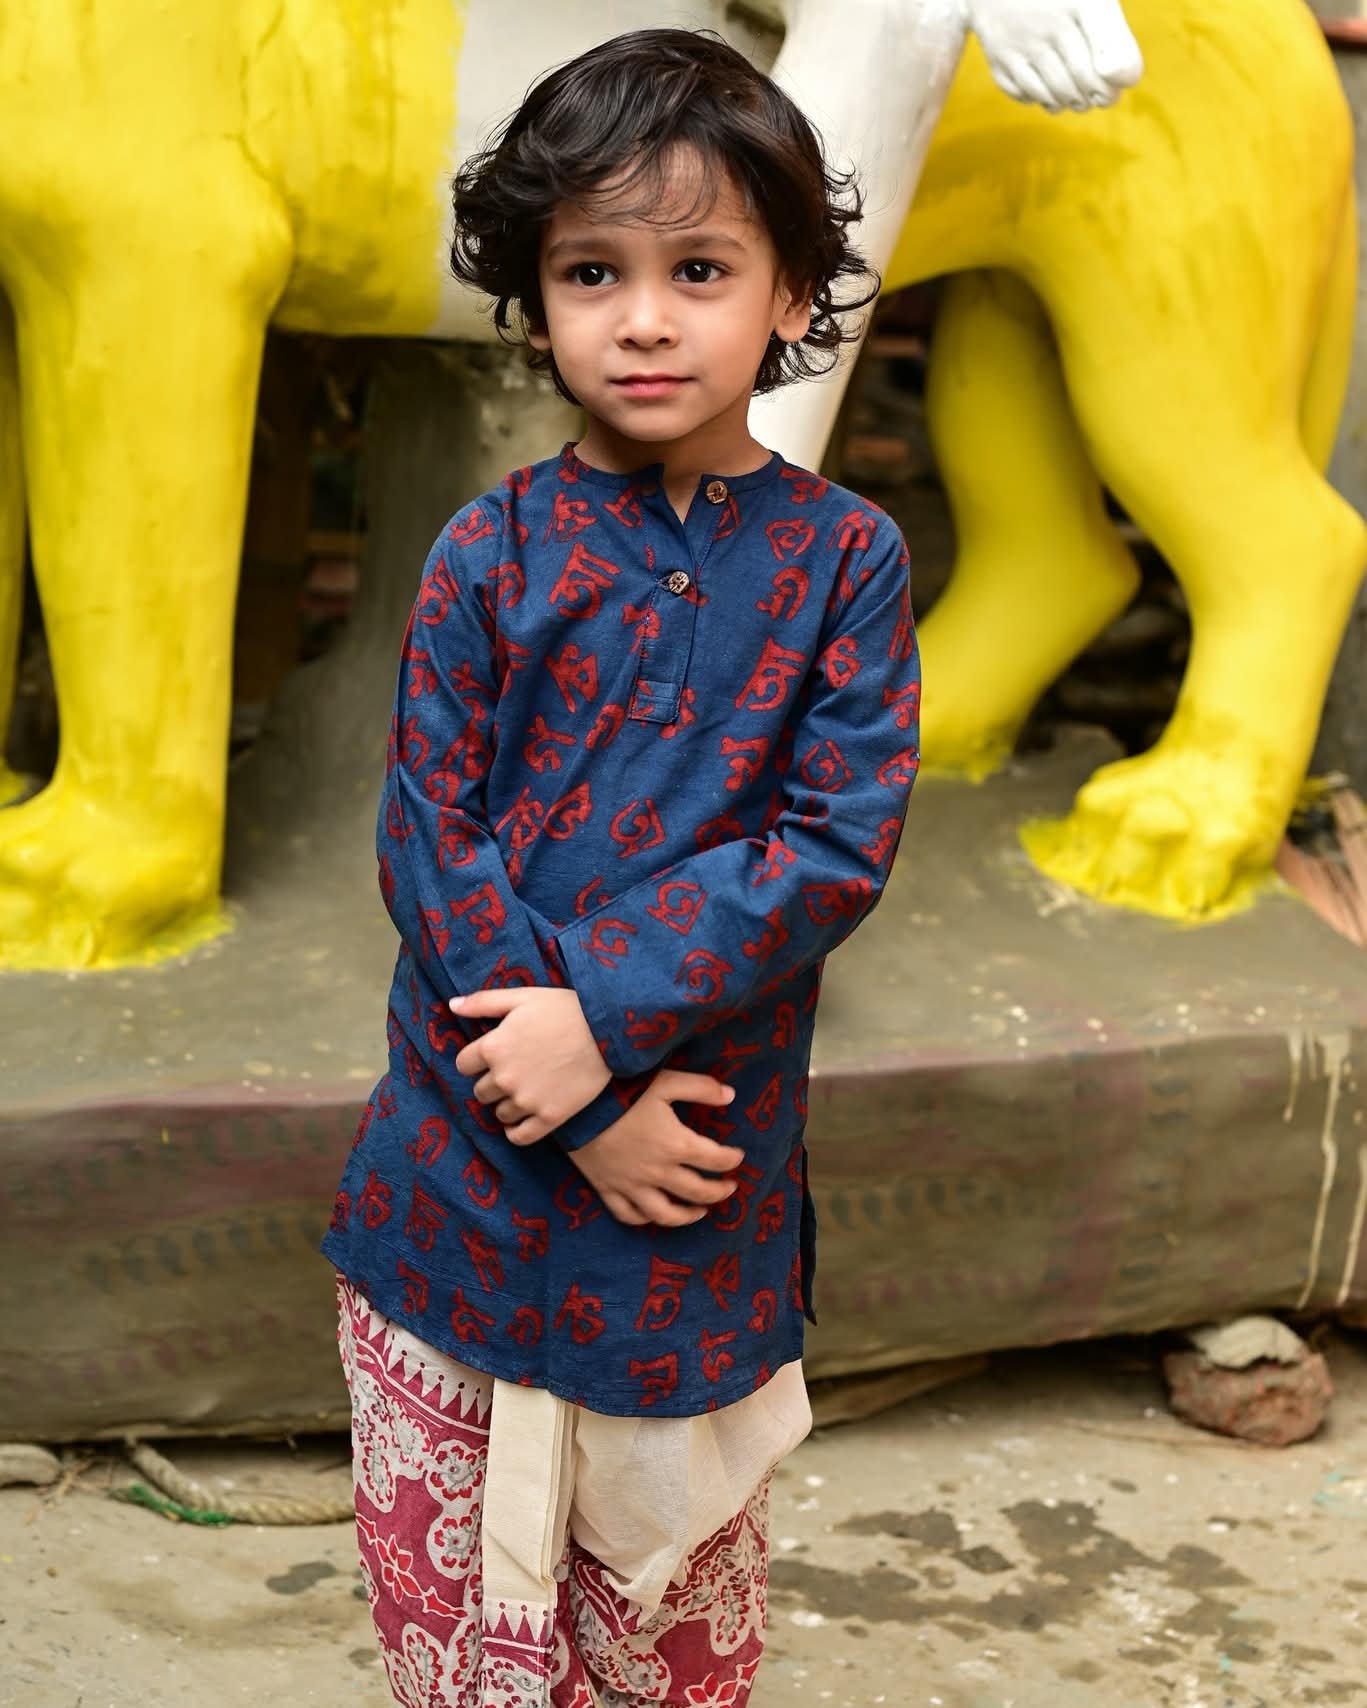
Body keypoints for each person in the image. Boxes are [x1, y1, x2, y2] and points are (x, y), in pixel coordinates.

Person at [321, 26, 920, 1707]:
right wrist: (575, 1103)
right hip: (462, 1175)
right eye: (595, 270)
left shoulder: (844, 563)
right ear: (537, 299)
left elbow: (832, 842)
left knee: (664, 1632)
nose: (645, 317)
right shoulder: (487, 552)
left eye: (699, 269)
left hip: (691, 1211)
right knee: (454, 1633)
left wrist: (600, 1012)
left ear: (790, 295)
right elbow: (428, 835)